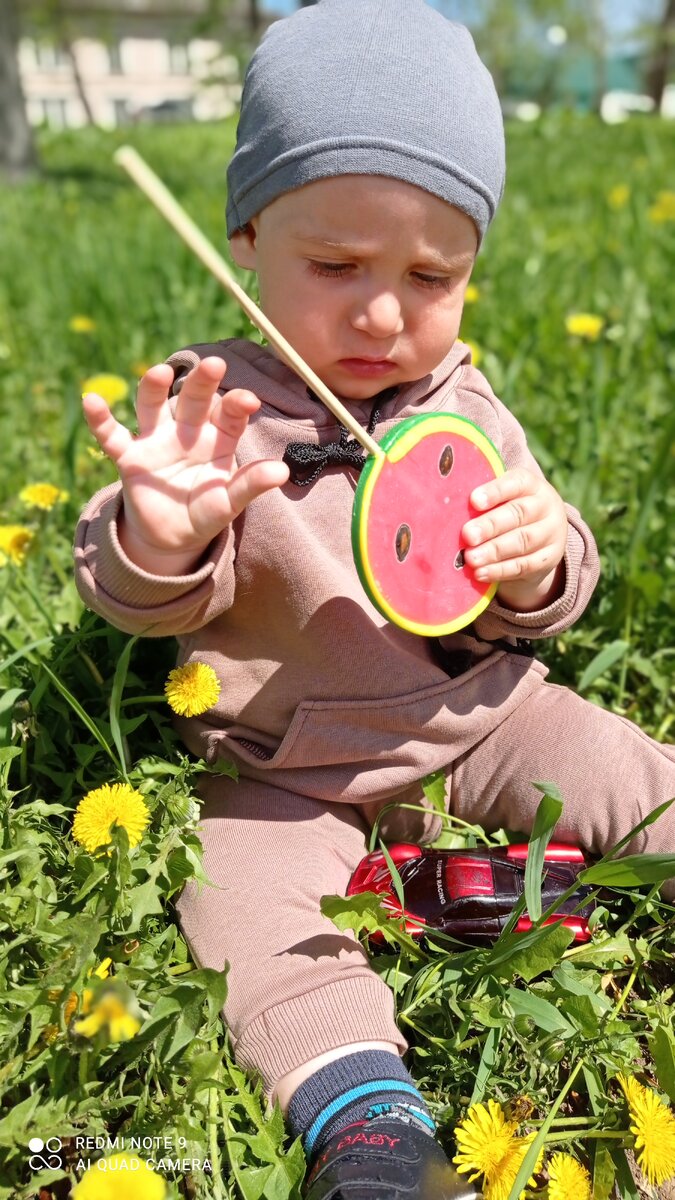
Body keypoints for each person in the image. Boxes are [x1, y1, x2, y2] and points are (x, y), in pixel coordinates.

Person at [73, 1, 675, 1195]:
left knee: (631, 771)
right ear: (247, 230)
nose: (385, 313)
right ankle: (370, 1128)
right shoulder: (213, 413)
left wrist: (538, 560)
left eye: (431, 274)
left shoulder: (464, 403)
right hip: (279, 767)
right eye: (337, 266)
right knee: (243, 913)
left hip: (482, 713)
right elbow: (127, 592)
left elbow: (546, 589)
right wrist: (160, 529)